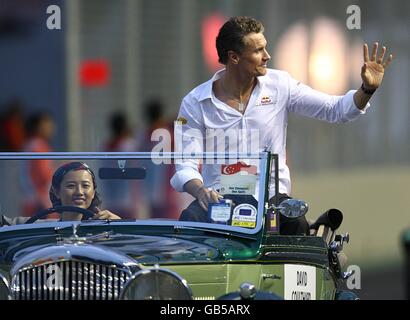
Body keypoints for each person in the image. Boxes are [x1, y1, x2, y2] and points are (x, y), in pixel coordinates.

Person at [170, 16, 393, 235]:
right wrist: (201, 192)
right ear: (234, 57)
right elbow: (185, 165)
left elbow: (335, 110)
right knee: (188, 223)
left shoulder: (281, 85)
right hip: (220, 200)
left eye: (265, 48)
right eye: (258, 51)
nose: (267, 56)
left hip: (271, 200)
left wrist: (367, 89)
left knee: (296, 223)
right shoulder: (195, 101)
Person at [49, 161, 121, 221]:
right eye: (71, 186)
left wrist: (119, 224)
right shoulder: (46, 231)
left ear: (93, 192)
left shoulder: (104, 230)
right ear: (57, 192)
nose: (79, 192)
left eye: (85, 186)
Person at [20, 112, 56, 217]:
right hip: (40, 202)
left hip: (29, 200)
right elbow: (44, 175)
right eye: (48, 125)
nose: (52, 128)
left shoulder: (28, 144)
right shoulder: (39, 145)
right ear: (39, 127)